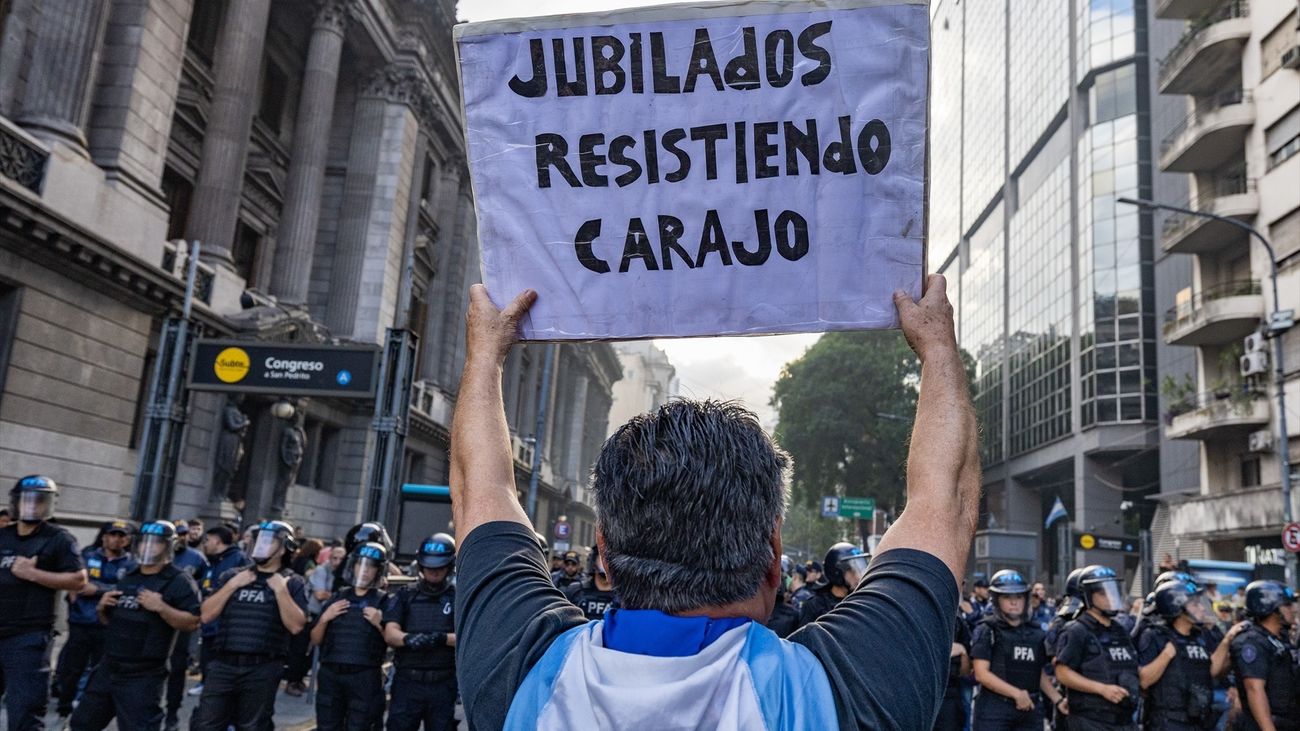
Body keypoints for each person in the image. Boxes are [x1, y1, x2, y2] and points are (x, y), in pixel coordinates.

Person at [449, 277, 981, 728]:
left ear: (603, 552)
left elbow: (480, 489)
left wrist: (485, 354)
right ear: (773, 557)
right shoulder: (845, 692)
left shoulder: (521, 668)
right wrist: (937, 347)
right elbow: (946, 500)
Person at [69, 520, 202, 731]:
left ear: (168, 546)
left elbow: (193, 622)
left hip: (143, 674)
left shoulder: (179, 581)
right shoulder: (130, 574)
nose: (148, 547)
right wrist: (102, 609)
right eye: (145, 542)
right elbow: (113, 622)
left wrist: (162, 608)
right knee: (81, 723)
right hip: (109, 666)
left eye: (156, 542)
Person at [192, 519, 308, 731]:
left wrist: (281, 591)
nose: (261, 546)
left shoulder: (292, 582)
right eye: (259, 540)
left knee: (253, 725)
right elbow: (206, 615)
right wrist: (232, 585)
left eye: (269, 541)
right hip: (224, 663)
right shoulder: (233, 576)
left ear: (284, 548)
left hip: (262, 666)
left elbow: (296, 626)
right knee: (206, 723)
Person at [0, 475, 87, 730]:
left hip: (27, 636)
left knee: (24, 711)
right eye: (27, 500)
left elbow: (78, 580)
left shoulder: (59, 538)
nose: (32, 506)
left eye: (39, 501)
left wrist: (33, 574)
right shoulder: (3, 535)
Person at [54, 519, 136, 718]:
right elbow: (76, 581)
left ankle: (86, 705)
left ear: (127, 540)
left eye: (121, 536)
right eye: (112, 535)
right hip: (81, 621)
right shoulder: (87, 556)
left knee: (98, 668)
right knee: (72, 667)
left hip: (107, 624)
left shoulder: (131, 564)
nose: (116, 540)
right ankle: (64, 704)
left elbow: (127, 590)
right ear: (104, 537)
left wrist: (98, 589)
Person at [1137, 578, 1242, 731]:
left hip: (1198, 720)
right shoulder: (1156, 636)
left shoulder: (1198, 636)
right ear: (1177, 607)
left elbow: (1211, 670)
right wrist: (1167, 654)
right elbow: (1144, 681)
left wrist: (1227, 640)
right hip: (1168, 722)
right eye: (1194, 604)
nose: (1202, 608)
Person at [970, 570, 1065, 731]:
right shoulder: (987, 629)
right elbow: (981, 674)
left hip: (1029, 709)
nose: (1014, 602)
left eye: (1019, 597)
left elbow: (1037, 672)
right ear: (996, 600)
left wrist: (1058, 700)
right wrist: (1016, 694)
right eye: (1007, 597)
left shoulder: (1035, 632)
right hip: (994, 709)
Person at [311, 541, 389, 731]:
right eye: (360, 564)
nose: (364, 570)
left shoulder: (383, 600)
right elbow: (315, 639)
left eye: (371, 566)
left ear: (378, 570)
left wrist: (379, 623)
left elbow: (393, 641)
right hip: (331, 673)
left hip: (364, 675)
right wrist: (325, 618)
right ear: (353, 566)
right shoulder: (338, 597)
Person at [383, 533, 458, 731]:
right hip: (408, 682)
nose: (434, 571)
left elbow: (467, 638)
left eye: (440, 567)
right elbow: (390, 633)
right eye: (429, 566)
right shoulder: (406, 594)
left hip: (442, 683)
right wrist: (410, 639)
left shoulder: (457, 598)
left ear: (449, 566)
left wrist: (441, 638)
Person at [1053, 565, 1140, 731]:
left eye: (1113, 591)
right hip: (1091, 720)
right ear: (1088, 596)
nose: (1110, 597)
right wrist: (1101, 689)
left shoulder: (1119, 630)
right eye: (1103, 593)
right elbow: (1062, 672)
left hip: (1123, 720)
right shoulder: (1077, 630)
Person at [188, 523, 249, 709]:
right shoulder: (211, 561)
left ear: (217, 541)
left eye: (207, 540)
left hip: (224, 622)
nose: (205, 544)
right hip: (209, 619)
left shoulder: (237, 559)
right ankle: (204, 681)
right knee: (207, 653)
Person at [1229, 580, 1298, 731]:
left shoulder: (1281, 638)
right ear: (1272, 609)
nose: (1293, 609)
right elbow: (1254, 689)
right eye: (1287, 605)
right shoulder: (1252, 641)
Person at [164, 520, 208, 722]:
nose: (181, 538)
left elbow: (204, 584)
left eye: (184, 534)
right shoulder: (158, 557)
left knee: (177, 668)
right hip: (155, 620)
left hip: (181, 619)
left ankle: (172, 712)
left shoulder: (196, 558)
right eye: (178, 534)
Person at [795, 542, 871, 628]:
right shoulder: (815, 606)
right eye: (851, 570)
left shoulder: (862, 601)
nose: (857, 576)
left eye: (859, 569)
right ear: (836, 572)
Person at [933, 610, 972, 731]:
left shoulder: (957, 621)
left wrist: (963, 652)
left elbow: (966, 671)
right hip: (919, 693)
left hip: (949, 694)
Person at [564, 544, 617, 621]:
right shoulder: (575, 591)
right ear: (594, 561)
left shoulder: (625, 597)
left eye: (612, 558)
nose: (608, 563)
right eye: (604, 558)